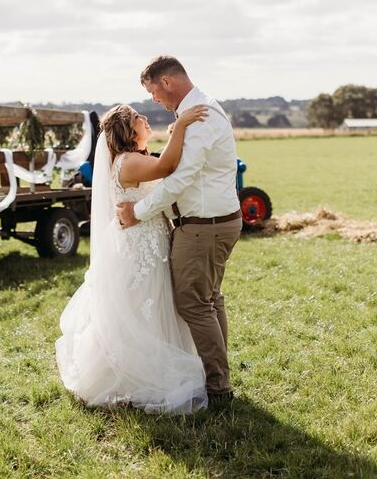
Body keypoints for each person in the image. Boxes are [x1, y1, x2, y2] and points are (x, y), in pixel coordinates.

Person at [56, 102, 210, 414]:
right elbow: (166, 168)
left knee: (151, 303)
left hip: (147, 239)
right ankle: (136, 376)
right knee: (145, 303)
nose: (144, 118)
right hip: (141, 247)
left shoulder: (134, 159)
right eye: (137, 117)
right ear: (128, 130)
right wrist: (179, 127)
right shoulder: (127, 162)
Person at [116, 56, 242, 404]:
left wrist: (138, 212)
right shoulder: (197, 112)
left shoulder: (199, 116)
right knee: (209, 300)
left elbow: (181, 178)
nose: (153, 100)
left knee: (194, 304)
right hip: (212, 222)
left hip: (205, 226)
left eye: (152, 91)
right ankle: (217, 378)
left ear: (167, 82)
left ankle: (218, 389)